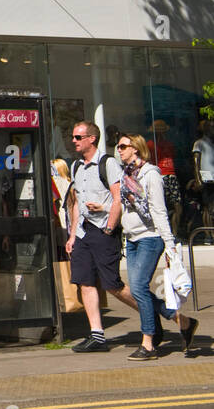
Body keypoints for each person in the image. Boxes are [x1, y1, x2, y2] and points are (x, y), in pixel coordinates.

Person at [116, 133, 199, 359]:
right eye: (118, 146)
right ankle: (183, 322)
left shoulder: (151, 174)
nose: (119, 149)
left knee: (140, 288)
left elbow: (159, 211)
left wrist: (170, 244)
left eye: (123, 146)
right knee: (136, 290)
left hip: (150, 238)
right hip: (132, 238)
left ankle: (149, 343)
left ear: (136, 148)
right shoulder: (127, 174)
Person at [67, 121, 139, 352]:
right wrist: (72, 235)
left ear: (92, 139)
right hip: (83, 232)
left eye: (79, 137)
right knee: (85, 282)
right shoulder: (76, 166)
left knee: (112, 285)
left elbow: (119, 199)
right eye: (74, 137)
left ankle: (151, 313)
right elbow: (76, 202)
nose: (74, 141)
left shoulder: (107, 164)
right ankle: (97, 335)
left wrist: (109, 227)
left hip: (103, 230)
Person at [191, 119, 214, 233]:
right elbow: (196, 161)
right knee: (208, 207)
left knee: (211, 207)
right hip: (206, 178)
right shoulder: (199, 143)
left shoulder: (212, 143)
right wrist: (198, 178)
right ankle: (208, 234)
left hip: (212, 177)